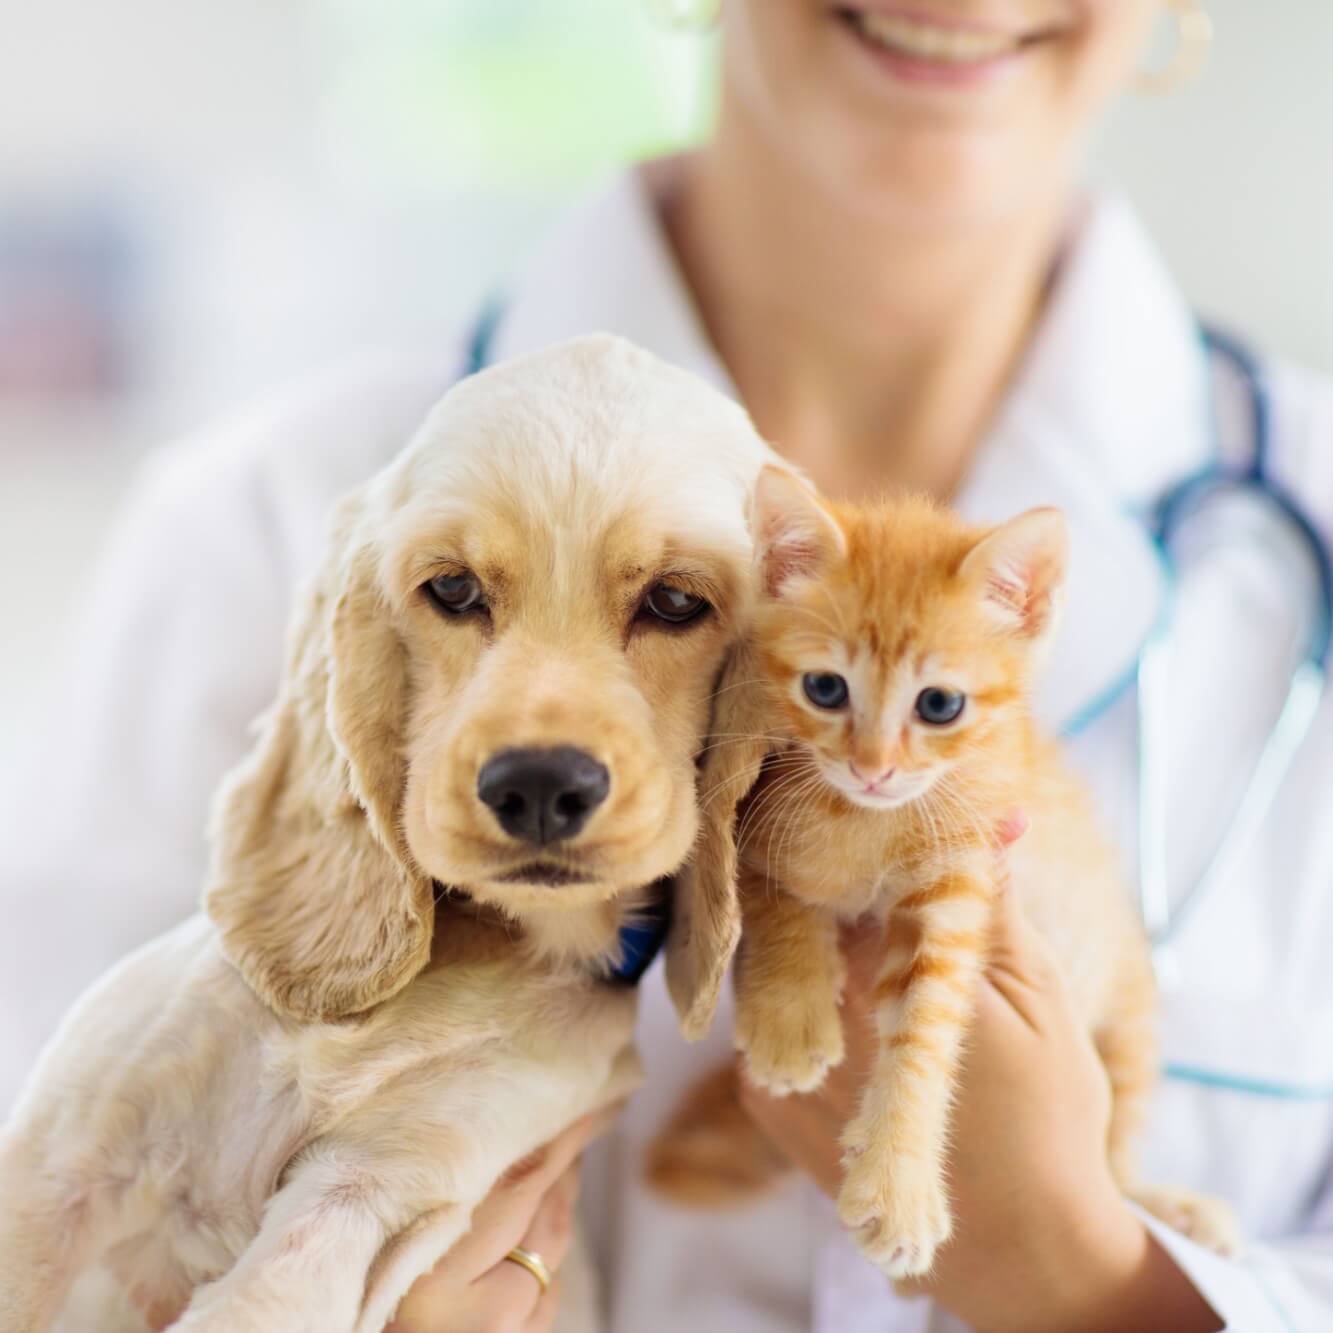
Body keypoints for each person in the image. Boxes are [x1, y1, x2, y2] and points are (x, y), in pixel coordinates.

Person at [4, 1, 1333, 1329]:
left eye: (672, 605)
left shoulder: (1300, 534)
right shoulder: (253, 534)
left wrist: (1079, 1278)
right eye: (459, 594)